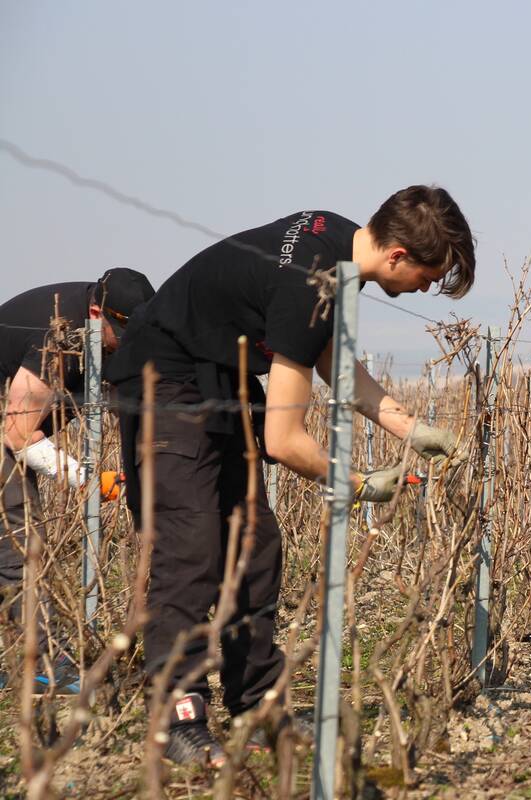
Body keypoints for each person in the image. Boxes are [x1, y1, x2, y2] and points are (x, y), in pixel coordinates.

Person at [104, 187, 475, 767]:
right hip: (163, 379)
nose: (429, 287)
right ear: (398, 255)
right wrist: (356, 484)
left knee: (255, 545)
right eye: (431, 274)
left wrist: (410, 428)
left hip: (219, 379)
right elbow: (284, 441)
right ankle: (175, 717)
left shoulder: (341, 247)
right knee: (192, 545)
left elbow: (328, 360)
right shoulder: (312, 284)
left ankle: (257, 707)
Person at [0, 269, 155, 692]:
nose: (125, 342)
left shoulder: (107, 333)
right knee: (20, 545)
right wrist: (86, 479)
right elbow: (15, 436)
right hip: (9, 433)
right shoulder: (58, 336)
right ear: (94, 313)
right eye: (120, 331)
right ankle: (47, 665)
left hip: (16, 431)